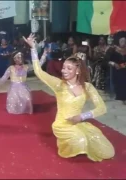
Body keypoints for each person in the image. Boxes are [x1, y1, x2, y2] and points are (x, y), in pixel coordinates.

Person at [24, 33, 114, 161]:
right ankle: (70, 144)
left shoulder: (87, 87)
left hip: (78, 123)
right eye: (64, 67)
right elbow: (39, 72)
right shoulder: (59, 85)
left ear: (77, 71)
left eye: (68, 68)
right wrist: (33, 48)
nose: (63, 71)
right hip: (62, 125)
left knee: (107, 151)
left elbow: (102, 108)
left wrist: (82, 116)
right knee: (81, 140)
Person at [0, 50, 46, 114]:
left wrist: (44, 54)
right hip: (14, 89)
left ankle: (27, 112)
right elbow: (3, 79)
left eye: (19, 57)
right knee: (14, 105)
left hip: (24, 88)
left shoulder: (26, 67)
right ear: (13, 59)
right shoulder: (11, 68)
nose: (18, 59)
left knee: (28, 99)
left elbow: (38, 65)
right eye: (16, 58)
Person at [107, 37, 126, 105]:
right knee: (118, 85)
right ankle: (119, 97)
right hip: (117, 72)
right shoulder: (114, 51)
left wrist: (123, 65)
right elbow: (108, 61)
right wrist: (114, 64)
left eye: (124, 41)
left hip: (125, 72)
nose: (122, 42)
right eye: (121, 41)